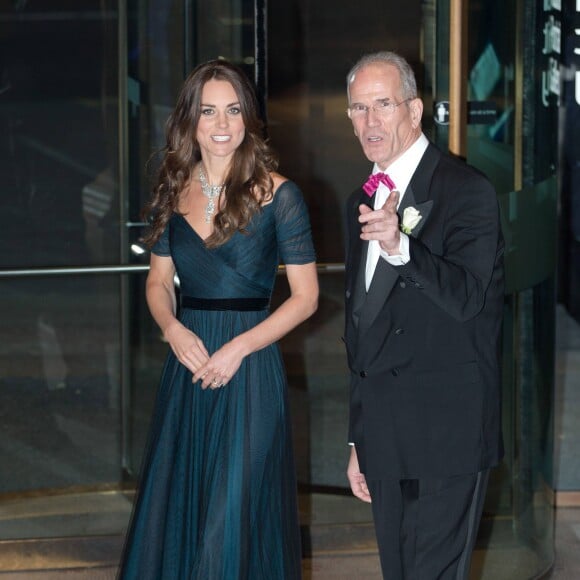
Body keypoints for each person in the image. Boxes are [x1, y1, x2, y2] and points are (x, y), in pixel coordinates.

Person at [117, 59, 318, 580]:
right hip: (190, 368)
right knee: (185, 511)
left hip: (248, 369)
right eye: (209, 111)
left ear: (248, 118)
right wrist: (173, 328)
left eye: (233, 110)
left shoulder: (279, 195)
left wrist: (239, 348)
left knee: (228, 523)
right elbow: (158, 283)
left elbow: (306, 298)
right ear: (190, 120)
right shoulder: (173, 189)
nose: (222, 124)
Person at [343, 51, 504, 579]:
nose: (370, 121)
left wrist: (401, 247)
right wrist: (357, 438)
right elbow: (361, 326)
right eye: (359, 108)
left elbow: (468, 298)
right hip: (384, 432)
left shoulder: (466, 191)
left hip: (447, 432)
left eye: (383, 105)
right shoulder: (360, 201)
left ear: (414, 111)